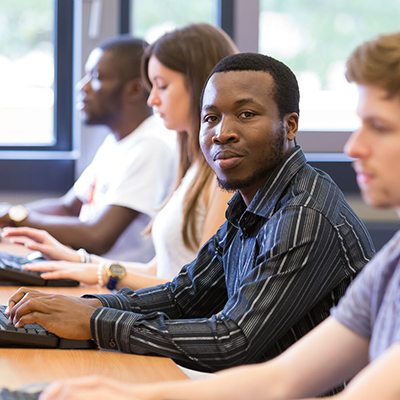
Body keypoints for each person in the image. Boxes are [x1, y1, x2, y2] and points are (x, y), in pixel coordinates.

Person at [38, 31, 400, 400]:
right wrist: (90, 309)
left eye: (380, 126)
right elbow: (187, 296)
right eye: (211, 117)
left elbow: (234, 340)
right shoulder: (253, 204)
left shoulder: (305, 216)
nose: (353, 146)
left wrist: (97, 323)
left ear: (290, 126)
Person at [2, 23, 238, 291]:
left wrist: (99, 274)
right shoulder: (194, 167)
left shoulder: (221, 176)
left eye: (161, 86)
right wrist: (79, 260)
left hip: (165, 319)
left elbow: (197, 289)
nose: (153, 100)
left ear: (202, 87)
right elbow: (161, 268)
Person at [0, 36, 176, 262]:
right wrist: (9, 214)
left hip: (118, 288)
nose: (82, 86)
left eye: (96, 77)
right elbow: (68, 207)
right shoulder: (118, 141)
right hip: (87, 273)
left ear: (134, 89)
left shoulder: (152, 145)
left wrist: (17, 220)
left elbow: (97, 236)